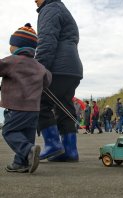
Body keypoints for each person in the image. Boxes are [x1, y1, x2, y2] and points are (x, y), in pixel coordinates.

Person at [35, 0, 83, 162]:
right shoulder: (61, 8)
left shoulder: (50, 9)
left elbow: (46, 41)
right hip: (73, 69)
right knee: (65, 108)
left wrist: (38, 70)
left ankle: (53, 144)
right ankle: (70, 151)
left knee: (39, 102)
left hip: (58, 68)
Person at [0, 23, 52, 173]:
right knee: (27, 136)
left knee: (9, 131)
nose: (10, 48)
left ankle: (28, 150)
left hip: (17, 107)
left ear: (17, 46)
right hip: (34, 109)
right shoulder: (39, 66)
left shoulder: (11, 61)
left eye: (11, 45)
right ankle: (20, 163)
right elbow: (47, 80)